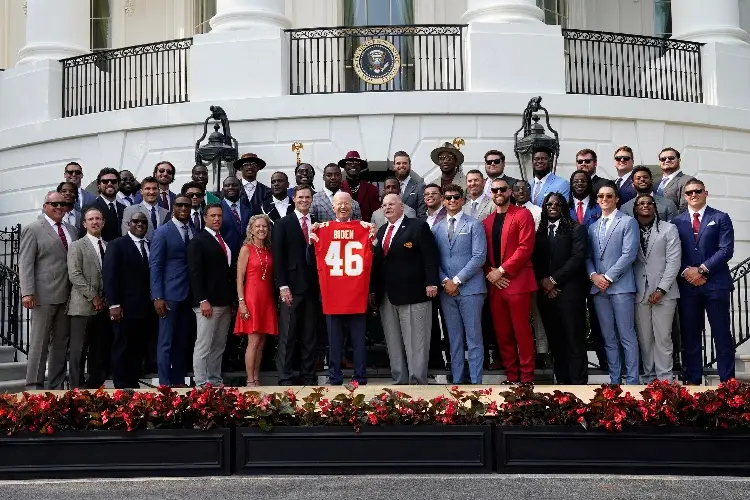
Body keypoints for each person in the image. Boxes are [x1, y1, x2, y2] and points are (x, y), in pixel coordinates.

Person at [372, 194, 439, 385]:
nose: (387, 208)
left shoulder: (417, 226)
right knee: (393, 341)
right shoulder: (382, 230)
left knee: (416, 341)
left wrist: (431, 283)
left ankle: (417, 380)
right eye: (384, 205)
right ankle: (399, 378)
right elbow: (378, 262)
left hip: (414, 292)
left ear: (402, 206)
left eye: (391, 204)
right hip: (387, 294)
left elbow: (430, 257)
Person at [673, 179, 735, 384]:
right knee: (690, 335)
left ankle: (728, 383)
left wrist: (701, 270)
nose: (693, 195)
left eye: (697, 191)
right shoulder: (676, 221)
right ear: (684, 196)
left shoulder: (720, 217)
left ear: (705, 192)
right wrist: (686, 272)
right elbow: (673, 253)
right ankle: (693, 380)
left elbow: (726, 250)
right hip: (688, 287)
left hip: (716, 285)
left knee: (721, 334)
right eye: (689, 192)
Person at [311, 191, 375, 385]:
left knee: (358, 340)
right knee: (335, 340)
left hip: (356, 292)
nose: (343, 207)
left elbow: (375, 256)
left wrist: (373, 236)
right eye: (339, 203)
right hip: (333, 294)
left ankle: (360, 375)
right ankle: (334, 376)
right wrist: (312, 235)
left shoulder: (364, 228)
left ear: (353, 206)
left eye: (347, 203)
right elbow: (310, 258)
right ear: (333, 207)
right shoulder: (322, 229)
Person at [19, 191, 78, 390]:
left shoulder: (71, 229)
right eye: (55, 204)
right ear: (45, 206)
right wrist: (27, 292)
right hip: (43, 295)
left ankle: (56, 385)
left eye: (63, 204)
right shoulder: (33, 229)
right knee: (39, 342)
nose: (59, 207)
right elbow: (25, 262)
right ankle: (34, 384)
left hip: (68, 295)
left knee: (61, 343)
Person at [483, 178, 537, 383]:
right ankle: (511, 375)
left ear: (510, 192)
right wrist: (492, 273)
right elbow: (482, 254)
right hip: (496, 284)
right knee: (502, 332)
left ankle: (527, 377)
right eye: (494, 189)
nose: (498, 192)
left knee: (521, 330)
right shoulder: (486, 222)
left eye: (502, 189)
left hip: (517, 281)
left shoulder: (522, 214)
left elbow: (525, 248)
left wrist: (502, 271)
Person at [586, 182, 640, 385]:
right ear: (597, 199)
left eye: (609, 196)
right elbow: (588, 256)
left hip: (621, 287)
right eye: (601, 196)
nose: (604, 199)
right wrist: (593, 275)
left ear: (616, 199)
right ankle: (615, 380)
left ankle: (633, 381)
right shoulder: (592, 226)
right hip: (599, 289)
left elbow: (629, 254)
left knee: (627, 335)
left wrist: (607, 277)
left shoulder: (627, 222)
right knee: (608, 338)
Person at [432, 185, 487, 384]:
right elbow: (434, 259)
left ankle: (475, 382)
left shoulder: (474, 224)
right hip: (447, 290)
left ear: (462, 200)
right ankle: (456, 381)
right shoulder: (436, 227)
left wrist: (456, 280)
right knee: (453, 339)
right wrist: (445, 281)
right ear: (443, 201)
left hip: (470, 289)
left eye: (456, 196)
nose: (452, 200)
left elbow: (479, 257)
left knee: (473, 338)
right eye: (448, 197)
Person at [533, 193, 589, 384]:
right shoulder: (539, 232)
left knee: (574, 341)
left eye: (557, 203)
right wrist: (544, 282)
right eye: (549, 203)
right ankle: (563, 384)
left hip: (570, 292)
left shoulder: (576, 229)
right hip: (546, 295)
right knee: (556, 342)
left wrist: (554, 280)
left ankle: (579, 385)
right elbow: (534, 261)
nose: (553, 206)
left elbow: (577, 258)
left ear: (564, 206)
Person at [632, 193, 682, 383]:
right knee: (645, 339)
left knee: (663, 337)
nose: (645, 206)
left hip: (665, 292)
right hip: (638, 291)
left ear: (655, 207)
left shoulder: (669, 229)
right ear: (635, 207)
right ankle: (648, 378)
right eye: (641, 203)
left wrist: (661, 289)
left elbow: (673, 262)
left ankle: (664, 380)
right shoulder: (629, 229)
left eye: (649, 203)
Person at [273, 185, 319, 385]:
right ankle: (285, 376)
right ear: (294, 199)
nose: (304, 200)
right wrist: (282, 285)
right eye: (300, 197)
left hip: (312, 288)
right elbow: (278, 257)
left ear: (311, 199)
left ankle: (308, 375)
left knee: (309, 335)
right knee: (288, 334)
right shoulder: (283, 224)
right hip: (291, 287)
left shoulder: (318, 224)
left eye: (308, 197)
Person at [104, 212, 154, 389]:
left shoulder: (150, 245)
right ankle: (120, 384)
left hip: (145, 308)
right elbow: (110, 276)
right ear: (128, 224)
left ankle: (133, 381)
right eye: (136, 221)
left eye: (143, 221)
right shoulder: (116, 245)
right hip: (124, 307)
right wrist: (114, 305)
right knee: (122, 346)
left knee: (139, 347)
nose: (140, 224)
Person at [187, 204, 236, 388]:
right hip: (207, 303)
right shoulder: (198, 241)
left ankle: (215, 380)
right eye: (213, 216)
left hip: (224, 302)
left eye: (219, 216)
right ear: (205, 218)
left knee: (218, 345)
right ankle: (201, 382)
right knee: (204, 345)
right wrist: (202, 300)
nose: (217, 219)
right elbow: (195, 273)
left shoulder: (222, 239)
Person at [150, 195, 196, 387]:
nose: (184, 208)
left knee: (182, 341)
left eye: (187, 205)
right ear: (173, 208)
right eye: (179, 205)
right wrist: (157, 296)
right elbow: (155, 265)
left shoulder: (193, 230)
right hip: (168, 295)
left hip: (188, 295)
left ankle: (178, 380)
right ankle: (164, 382)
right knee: (166, 341)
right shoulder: (163, 232)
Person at [66, 207, 108, 388]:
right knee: (78, 350)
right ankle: (75, 388)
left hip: (103, 307)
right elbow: (74, 274)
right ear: (84, 224)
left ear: (103, 222)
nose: (95, 222)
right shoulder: (77, 245)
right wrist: (94, 297)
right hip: (82, 306)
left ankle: (94, 386)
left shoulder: (108, 245)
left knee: (99, 349)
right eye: (91, 219)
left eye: (98, 218)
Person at [568, 169, 606, 370]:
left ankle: (605, 363)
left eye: (583, 181)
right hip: (572, 272)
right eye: (576, 181)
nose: (580, 184)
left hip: (596, 270)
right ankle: (578, 365)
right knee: (575, 321)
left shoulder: (598, 206)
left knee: (599, 319)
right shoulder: (564, 208)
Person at [235, 214, 278, 386]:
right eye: (257, 227)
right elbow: (239, 278)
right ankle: (249, 380)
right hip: (251, 298)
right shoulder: (246, 249)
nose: (261, 229)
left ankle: (257, 377)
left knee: (261, 341)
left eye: (264, 226)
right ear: (251, 230)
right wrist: (241, 302)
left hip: (267, 298)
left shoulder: (268, 249)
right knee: (252, 341)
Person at [82, 168, 125, 242]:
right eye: (105, 181)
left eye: (113, 181)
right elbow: (83, 235)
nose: (109, 183)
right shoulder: (89, 208)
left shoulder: (124, 209)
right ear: (98, 185)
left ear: (118, 185)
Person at [340, 151, 379, 223]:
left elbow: (376, 215)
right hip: (343, 230)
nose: (353, 165)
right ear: (344, 167)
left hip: (365, 231)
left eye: (356, 163)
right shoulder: (338, 188)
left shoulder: (372, 189)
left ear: (360, 167)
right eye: (349, 163)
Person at [219, 176, 253, 256]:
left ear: (240, 188)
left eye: (234, 185)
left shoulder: (248, 209)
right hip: (224, 256)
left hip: (246, 255)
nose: (231, 187)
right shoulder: (217, 209)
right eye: (227, 185)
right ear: (223, 190)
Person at [656, 147, 693, 214]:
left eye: (671, 158)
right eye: (663, 159)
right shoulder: (655, 184)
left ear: (679, 160)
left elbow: (685, 208)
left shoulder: (688, 180)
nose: (667, 160)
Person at [392, 151, 427, 219]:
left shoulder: (420, 187)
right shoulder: (389, 187)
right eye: (398, 163)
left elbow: (422, 215)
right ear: (394, 166)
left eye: (404, 163)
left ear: (410, 165)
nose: (401, 166)